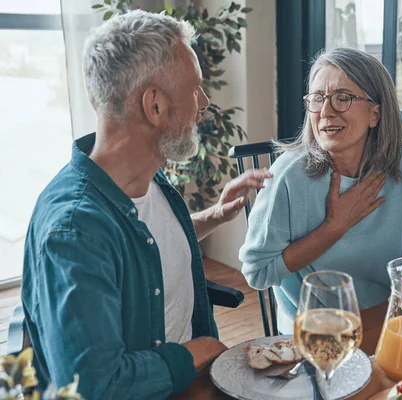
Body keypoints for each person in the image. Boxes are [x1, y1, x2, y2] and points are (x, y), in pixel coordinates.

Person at [21, 10, 270, 400]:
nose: (204, 103)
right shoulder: (73, 231)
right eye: (196, 89)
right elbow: (96, 387)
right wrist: (203, 349)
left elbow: (143, 243)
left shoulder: (148, 176)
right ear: (153, 105)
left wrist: (212, 216)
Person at [239, 47, 402, 334]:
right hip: (317, 327)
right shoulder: (288, 177)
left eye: (342, 98)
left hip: (388, 309)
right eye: (317, 98)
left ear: (375, 114)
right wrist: (334, 227)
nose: (325, 111)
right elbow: (257, 272)